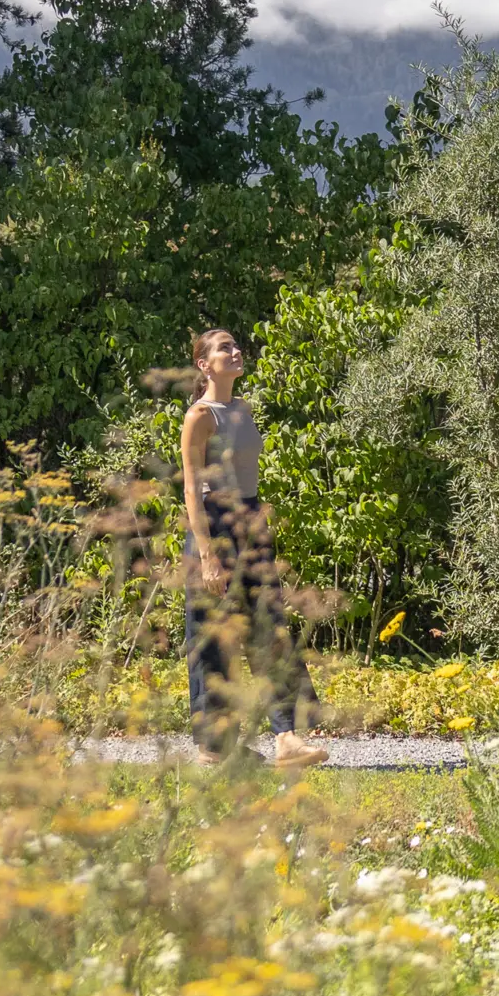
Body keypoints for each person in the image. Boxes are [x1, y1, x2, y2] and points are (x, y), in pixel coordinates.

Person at [180, 328, 327, 766]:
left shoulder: (243, 410)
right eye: (224, 347)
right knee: (214, 639)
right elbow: (190, 488)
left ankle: (287, 738)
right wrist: (206, 554)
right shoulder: (200, 416)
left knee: (270, 630)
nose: (235, 350)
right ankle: (216, 748)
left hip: (249, 524)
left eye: (235, 345)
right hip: (213, 526)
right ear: (204, 364)